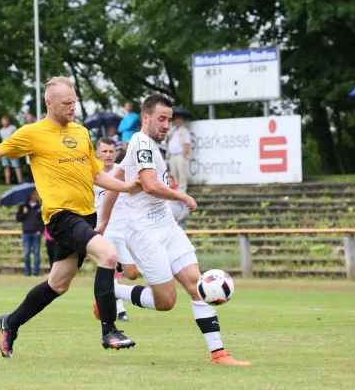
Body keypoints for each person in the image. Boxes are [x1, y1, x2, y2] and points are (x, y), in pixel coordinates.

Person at [0, 76, 141, 358]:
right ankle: (110, 331)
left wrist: (125, 187)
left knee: (58, 284)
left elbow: (97, 174)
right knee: (108, 256)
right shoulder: (32, 133)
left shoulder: (81, 132)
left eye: (74, 102)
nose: (72, 107)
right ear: (49, 103)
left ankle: (10, 322)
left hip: (86, 216)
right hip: (61, 216)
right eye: (66, 103)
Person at [95, 94, 251, 366]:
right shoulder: (142, 143)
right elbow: (150, 185)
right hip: (144, 234)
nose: (166, 124)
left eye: (169, 119)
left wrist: (104, 221)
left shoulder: (147, 146)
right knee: (166, 301)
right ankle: (111, 293)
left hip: (167, 227)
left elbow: (113, 184)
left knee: (197, 285)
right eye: (161, 119)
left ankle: (219, 353)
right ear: (146, 118)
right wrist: (183, 197)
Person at [95, 137, 140, 322]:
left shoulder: (123, 172)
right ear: (97, 153)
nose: (107, 155)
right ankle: (119, 311)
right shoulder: (93, 174)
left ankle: (110, 293)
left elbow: (135, 192)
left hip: (125, 229)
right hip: (104, 230)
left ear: (116, 153)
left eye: (111, 151)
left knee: (132, 274)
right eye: (104, 151)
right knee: (108, 269)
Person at [16, 189, 45, 277]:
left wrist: (40, 231)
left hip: (36, 233)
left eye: (36, 194)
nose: (34, 196)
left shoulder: (40, 207)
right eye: (33, 194)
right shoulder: (23, 206)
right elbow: (18, 218)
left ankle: (36, 272)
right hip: (26, 232)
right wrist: (24, 213)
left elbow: (43, 220)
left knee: (36, 253)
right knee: (26, 252)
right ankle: (27, 272)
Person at [167, 113, 191, 191]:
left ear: (181, 121)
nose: (177, 121)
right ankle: (175, 190)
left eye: (179, 120)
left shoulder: (184, 130)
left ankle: (182, 190)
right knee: (173, 174)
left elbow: (187, 143)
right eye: (176, 120)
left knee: (181, 173)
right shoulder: (172, 130)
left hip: (180, 155)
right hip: (172, 155)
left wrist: (184, 154)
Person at [0, 116, 23, 185]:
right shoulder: (1, 131)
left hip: (12, 148)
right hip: (4, 149)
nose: (5, 122)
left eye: (6, 120)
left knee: (16, 165)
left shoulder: (13, 128)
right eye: (3, 121)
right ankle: (7, 182)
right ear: (1, 122)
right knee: (6, 166)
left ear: (8, 121)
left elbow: (17, 136)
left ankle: (20, 181)